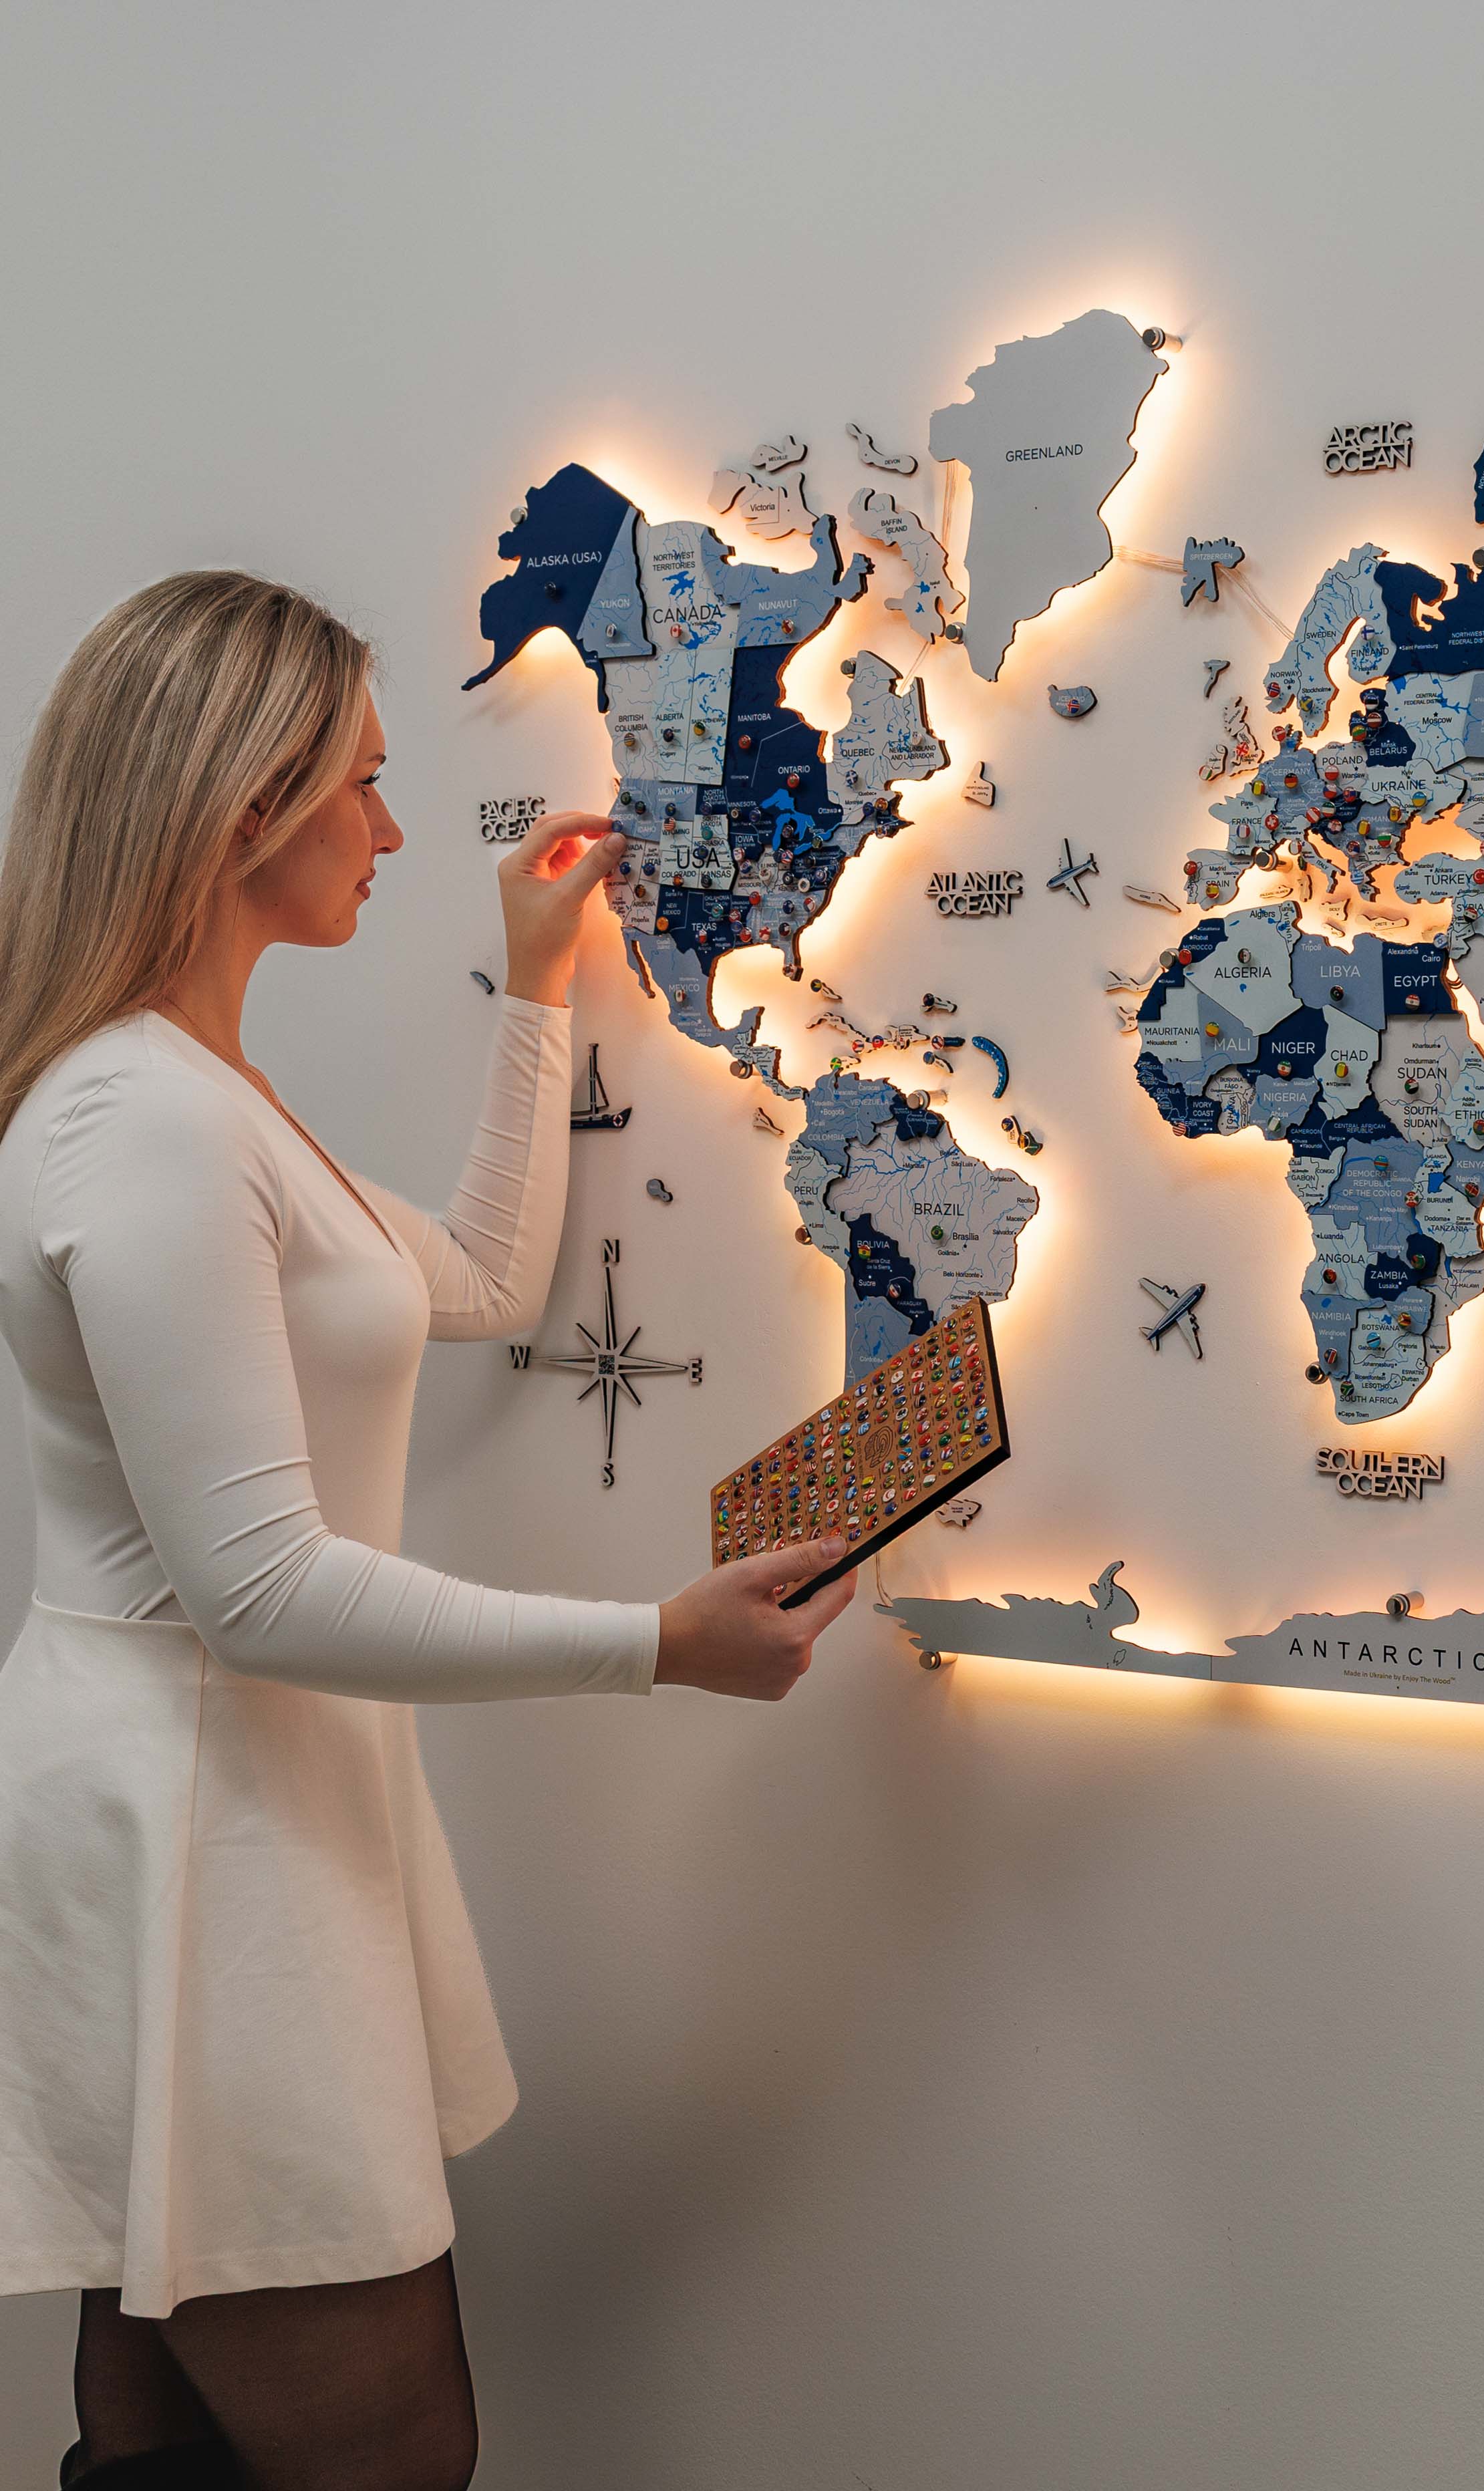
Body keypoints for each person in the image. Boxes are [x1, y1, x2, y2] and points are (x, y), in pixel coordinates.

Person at [0, 573, 853, 2490]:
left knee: (164, 2449)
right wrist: (659, 1643)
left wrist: (538, 987)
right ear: (241, 809)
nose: (394, 830)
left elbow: (467, 1272)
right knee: (385, 2457)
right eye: (365, 788)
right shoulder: (137, 1121)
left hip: (234, 1810)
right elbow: (261, 1586)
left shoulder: (203, 1093)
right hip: (193, 1831)